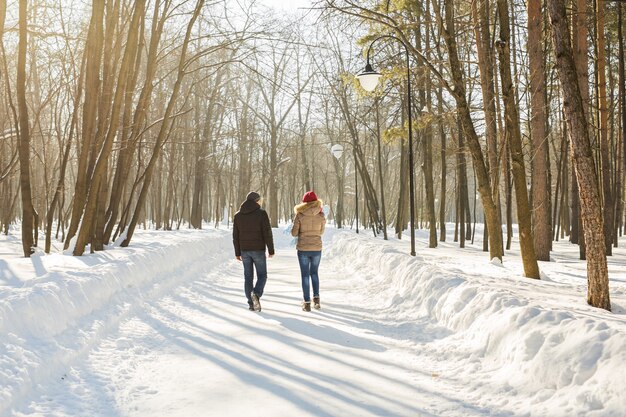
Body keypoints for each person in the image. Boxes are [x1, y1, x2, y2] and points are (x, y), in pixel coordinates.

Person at [233, 191, 274, 311]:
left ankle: (251, 304)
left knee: (248, 277)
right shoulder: (261, 213)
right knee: (262, 275)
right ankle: (256, 294)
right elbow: (267, 233)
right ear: (256, 201)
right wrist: (271, 249)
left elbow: (235, 236)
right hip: (258, 250)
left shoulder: (238, 215)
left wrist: (237, 252)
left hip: (245, 251)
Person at [291, 191, 326, 312]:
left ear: (304, 202)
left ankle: (306, 303)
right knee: (314, 273)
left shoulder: (300, 215)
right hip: (317, 248)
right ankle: (316, 299)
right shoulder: (321, 215)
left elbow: (294, 233)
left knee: (305, 275)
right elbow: (321, 232)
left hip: (303, 249)